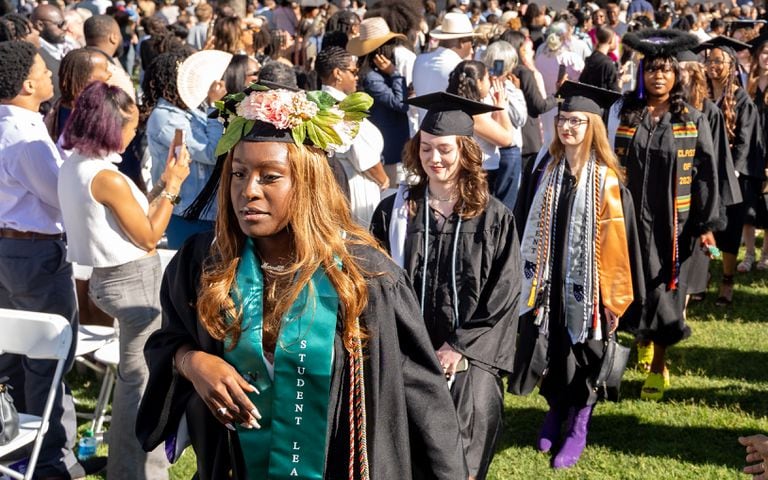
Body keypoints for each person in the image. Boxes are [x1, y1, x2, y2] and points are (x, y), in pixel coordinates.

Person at [136, 85, 467, 479]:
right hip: (235, 466)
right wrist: (193, 363)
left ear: (308, 183)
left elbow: (418, 387)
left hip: (336, 465)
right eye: (239, 173)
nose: (248, 191)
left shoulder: (365, 277)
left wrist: (450, 469)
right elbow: (168, 341)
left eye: (270, 176)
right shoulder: (205, 262)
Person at [370, 91, 521, 480]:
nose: (434, 159)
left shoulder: (494, 217)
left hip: (470, 353)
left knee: (466, 443)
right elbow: (374, 283)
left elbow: (503, 294)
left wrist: (457, 347)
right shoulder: (395, 211)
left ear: (466, 151)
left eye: (445, 150)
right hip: (406, 347)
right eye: (425, 149)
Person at [510, 81, 643, 469]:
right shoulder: (544, 171)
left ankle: (579, 423)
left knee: (585, 353)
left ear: (593, 128)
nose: (567, 128)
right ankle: (555, 408)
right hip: (548, 284)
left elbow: (623, 246)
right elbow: (524, 223)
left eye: (577, 122)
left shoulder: (609, 183)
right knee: (550, 347)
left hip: (591, 290)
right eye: (563, 119)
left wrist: (612, 298)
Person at [58, 81, 182, 479]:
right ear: (109, 126)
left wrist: (163, 184)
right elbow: (147, 236)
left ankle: (124, 464)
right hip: (133, 284)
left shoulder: (75, 165)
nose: (134, 133)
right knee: (141, 383)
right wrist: (175, 189)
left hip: (108, 280)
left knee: (135, 378)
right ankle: (136, 471)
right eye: (129, 125)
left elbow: (128, 219)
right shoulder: (106, 177)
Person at [608, 29, 719, 401]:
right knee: (635, 287)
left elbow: (705, 172)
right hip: (630, 220)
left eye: (665, 71)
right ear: (642, 75)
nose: (658, 76)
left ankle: (659, 363)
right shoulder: (625, 115)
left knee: (665, 291)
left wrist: (706, 224)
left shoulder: (691, 119)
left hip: (674, 223)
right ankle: (642, 337)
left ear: (676, 77)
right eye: (652, 70)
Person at [0, 40, 85, 479]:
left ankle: (13, 440)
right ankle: (49, 458)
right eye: (43, 69)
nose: (51, 75)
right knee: (47, 355)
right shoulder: (25, 135)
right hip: (33, 251)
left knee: (13, 351)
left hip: (11, 249)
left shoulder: (15, 125)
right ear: (27, 83)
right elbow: (60, 198)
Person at [698, 36, 762, 306]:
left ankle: (727, 278)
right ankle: (705, 274)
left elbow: (746, 140)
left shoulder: (741, 100)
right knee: (707, 226)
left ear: (731, 64)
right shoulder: (702, 96)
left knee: (730, 230)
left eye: (718, 60)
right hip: (706, 172)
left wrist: (732, 170)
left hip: (734, 177)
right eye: (709, 60)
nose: (712, 65)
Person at [142, 49, 226, 248]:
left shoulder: (191, 110)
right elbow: (211, 152)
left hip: (205, 209)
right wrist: (215, 105)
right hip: (186, 211)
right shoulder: (164, 117)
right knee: (188, 272)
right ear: (170, 83)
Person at [316, 46, 387, 227]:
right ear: (338, 73)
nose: (356, 77)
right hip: (355, 186)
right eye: (353, 71)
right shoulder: (343, 109)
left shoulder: (314, 103)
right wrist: (384, 180)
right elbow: (366, 160)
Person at [348, 16, 409, 187]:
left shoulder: (376, 74)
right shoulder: (372, 77)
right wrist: (395, 73)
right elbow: (400, 104)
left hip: (393, 146)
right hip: (388, 150)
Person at [446, 60, 514, 189]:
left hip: (469, 171)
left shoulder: (456, 105)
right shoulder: (472, 113)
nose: (490, 82)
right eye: (487, 78)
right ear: (479, 83)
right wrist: (502, 107)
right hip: (480, 172)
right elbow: (506, 139)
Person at [480, 40, 528, 210]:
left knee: (504, 207)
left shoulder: (510, 88)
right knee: (488, 204)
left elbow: (520, 119)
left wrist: (508, 96)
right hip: (488, 153)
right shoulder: (480, 86)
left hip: (507, 152)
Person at [45, 47, 111, 140]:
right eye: (105, 69)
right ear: (87, 78)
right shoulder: (87, 115)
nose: (110, 74)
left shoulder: (58, 108)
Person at [745, 32, 768, 269]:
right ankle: (749, 253)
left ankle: (765, 256)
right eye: (763, 53)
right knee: (748, 206)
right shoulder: (748, 83)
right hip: (750, 153)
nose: (766, 57)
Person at [579, 26, 620, 92]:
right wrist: (621, 81)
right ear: (610, 40)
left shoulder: (590, 58)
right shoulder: (608, 64)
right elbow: (615, 94)